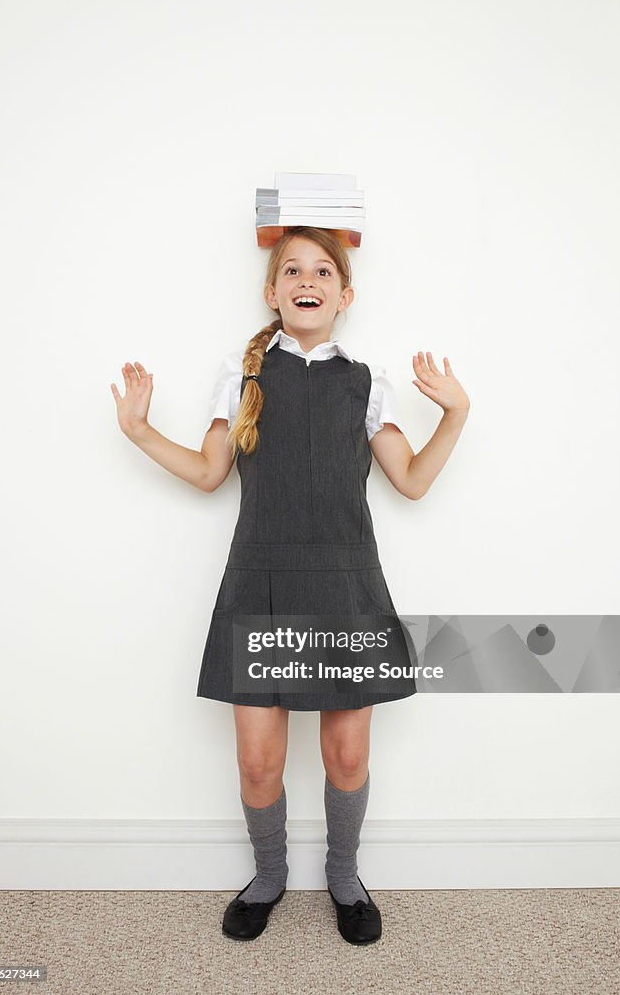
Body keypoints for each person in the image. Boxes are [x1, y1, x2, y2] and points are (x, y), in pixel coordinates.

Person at [111, 226, 470, 945]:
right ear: (272, 293)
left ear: (345, 293)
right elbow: (211, 471)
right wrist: (140, 431)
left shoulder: (368, 382)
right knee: (256, 761)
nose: (308, 280)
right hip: (261, 584)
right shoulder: (240, 374)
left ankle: (344, 875)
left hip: (344, 585)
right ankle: (269, 876)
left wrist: (456, 412)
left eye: (323, 271)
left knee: (345, 757)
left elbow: (412, 481)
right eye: (292, 271)